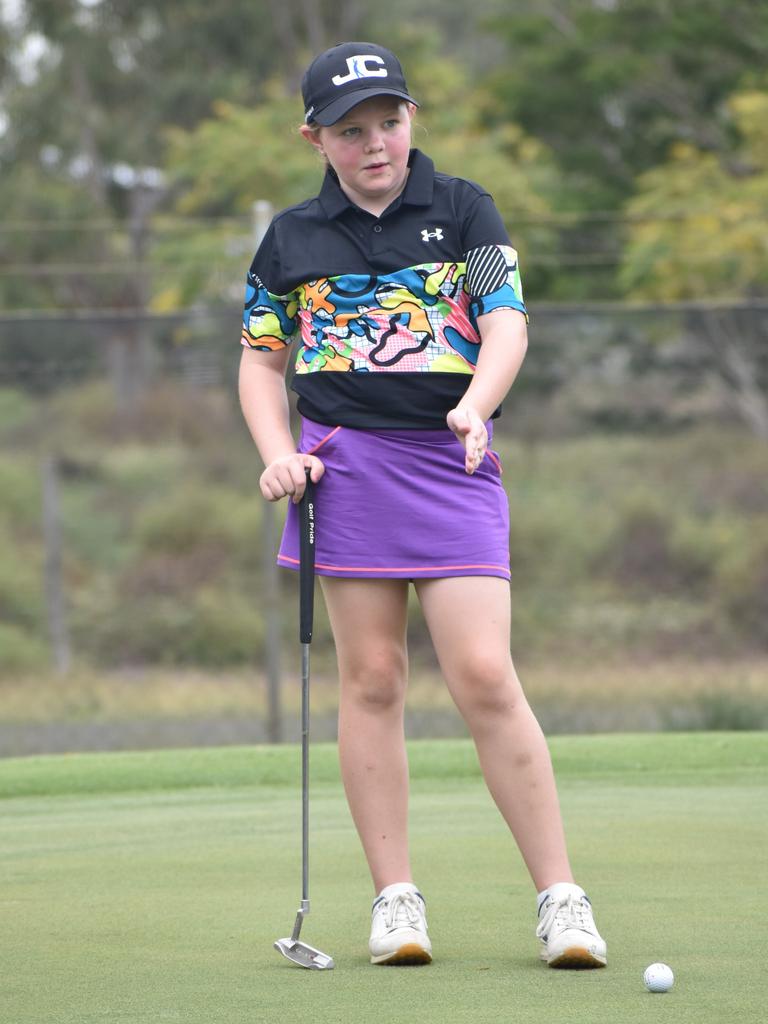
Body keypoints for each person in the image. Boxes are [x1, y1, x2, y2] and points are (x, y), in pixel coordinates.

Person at [238, 41, 607, 969]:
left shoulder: (463, 207)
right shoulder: (291, 237)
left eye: (390, 122)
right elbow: (258, 357)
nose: (375, 144)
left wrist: (477, 406)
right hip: (343, 469)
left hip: (451, 460)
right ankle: (395, 902)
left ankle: (562, 899)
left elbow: (508, 323)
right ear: (315, 137)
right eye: (351, 130)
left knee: (483, 672)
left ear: (413, 121)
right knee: (373, 679)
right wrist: (278, 454)